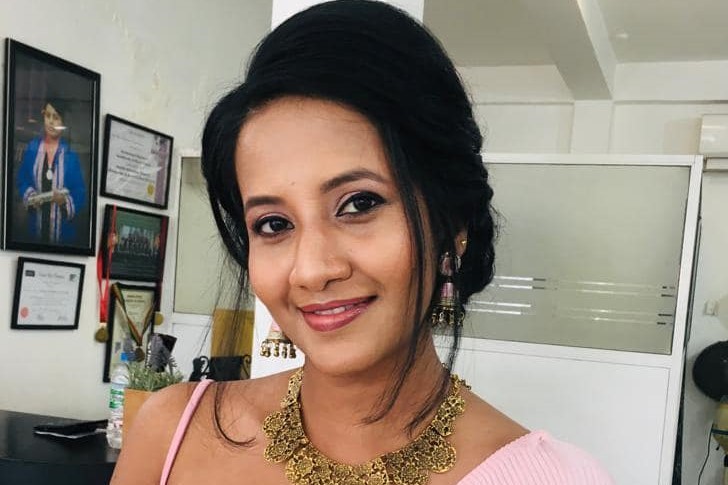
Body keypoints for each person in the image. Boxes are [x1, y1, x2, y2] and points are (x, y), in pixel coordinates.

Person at [111, 1, 614, 484]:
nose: (312, 270)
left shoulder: (552, 477)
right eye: (274, 224)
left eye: (359, 204)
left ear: (451, 224)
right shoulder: (172, 432)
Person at [16, 97, 86, 244]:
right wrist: (31, 197)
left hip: (63, 236)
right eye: (48, 116)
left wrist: (64, 201)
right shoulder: (32, 148)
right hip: (34, 232)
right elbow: (22, 179)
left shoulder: (70, 155)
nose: (51, 122)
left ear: (63, 122)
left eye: (56, 117)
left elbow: (80, 191)